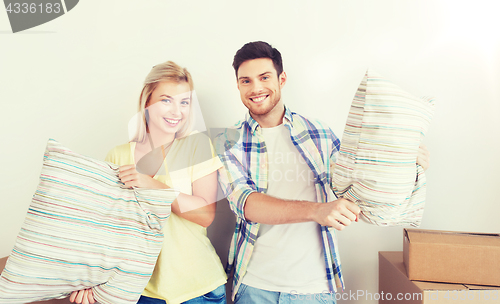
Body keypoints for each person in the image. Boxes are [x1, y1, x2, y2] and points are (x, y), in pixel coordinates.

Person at [215, 41, 430, 303]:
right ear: (237, 85)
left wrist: (404, 163)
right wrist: (318, 210)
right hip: (255, 287)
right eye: (246, 81)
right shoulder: (228, 141)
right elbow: (245, 204)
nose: (256, 88)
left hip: (315, 287)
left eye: (264, 77)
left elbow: (357, 186)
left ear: (282, 79)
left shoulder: (318, 133)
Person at [70, 61, 226, 304]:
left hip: (198, 290)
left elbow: (205, 213)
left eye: (184, 102)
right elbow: (107, 230)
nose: (177, 112)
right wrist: (89, 282)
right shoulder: (117, 156)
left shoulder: (197, 145)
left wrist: (154, 186)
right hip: (139, 292)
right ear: (147, 101)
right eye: (166, 100)